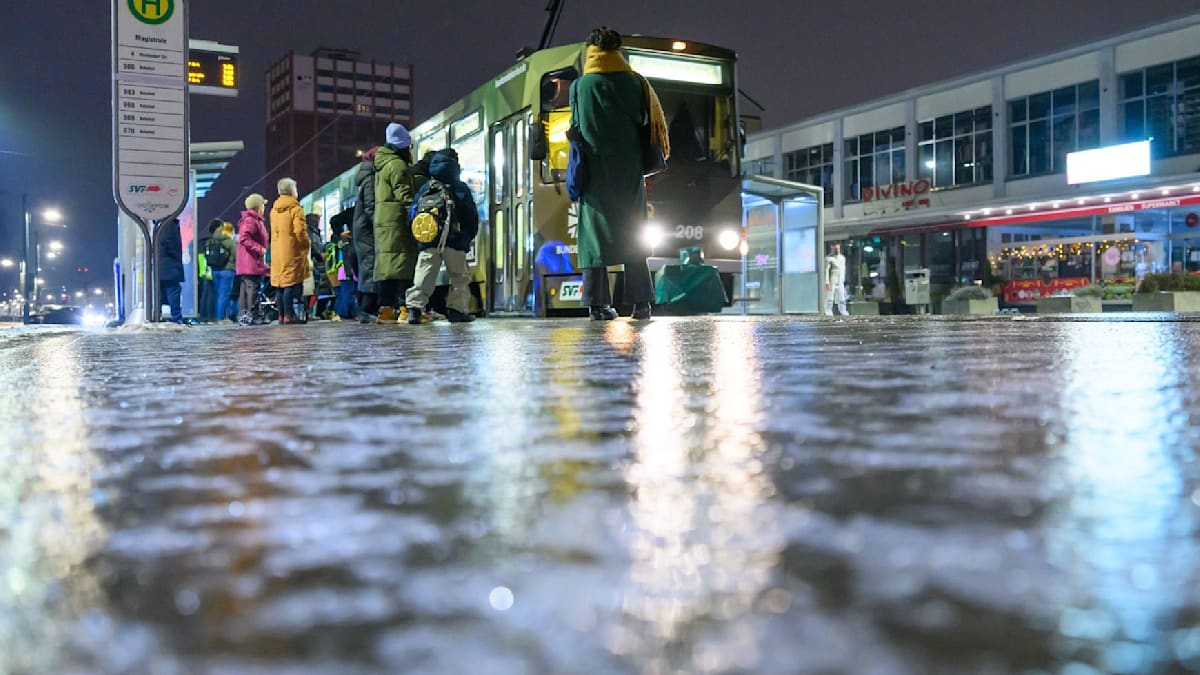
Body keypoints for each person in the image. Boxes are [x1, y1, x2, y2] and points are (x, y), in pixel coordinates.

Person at [570, 27, 670, 321]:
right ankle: (642, 304)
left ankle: (597, 304)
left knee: (594, 238)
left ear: (591, 51)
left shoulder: (580, 86)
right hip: (628, 170)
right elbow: (644, 121)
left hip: (594, 172)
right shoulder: (636, 83)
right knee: (633, 233)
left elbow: (577, 126)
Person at [405, 149, 480, 324]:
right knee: (459, 277)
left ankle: (414, 309)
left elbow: (412, 214)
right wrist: (467, 236)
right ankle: (456, 310)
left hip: (429, 241)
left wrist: (421, 238)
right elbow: (470, 215)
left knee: (424, 275)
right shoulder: (460, 188)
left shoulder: (426, 188)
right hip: (454, 241)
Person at [373, 122, 418, 323]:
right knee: (403, 264)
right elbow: (404, 195)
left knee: (387, 267)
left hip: (383, 220)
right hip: (397, 220)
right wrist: (415, 211)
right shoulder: (397, 165)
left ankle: (385, 310)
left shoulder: (381, 165)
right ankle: (405, 309)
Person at [270, 178, 311, 324]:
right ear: (292, 191)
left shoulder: (274, 210)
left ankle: (281, 315)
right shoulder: (295, 209)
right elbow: (300, 231)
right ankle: (289, 316)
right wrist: (306, 244)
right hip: (292, 250)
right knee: (290, 283)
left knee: (280, 284)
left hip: (277, 252)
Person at [352, 147, 380, 323]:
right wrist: (379, 224)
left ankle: (366, 309)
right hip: (367, 230)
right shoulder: (370, 179)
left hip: (362, 229)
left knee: (368, 267)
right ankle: (365, 310)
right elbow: (371, 206)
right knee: (370, 267)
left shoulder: (366, 177)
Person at [237, 193, 271, 324]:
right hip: (250, 262)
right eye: (263, 205)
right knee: (252, 290)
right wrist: (260, 248)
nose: (264, 207)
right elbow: (244, 238)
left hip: (249, 262)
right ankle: (253, 317)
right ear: (259, 206)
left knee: (246, 292)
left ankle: (246, 318)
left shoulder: (253, 220)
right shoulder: (251, 220)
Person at [157, 217, 185, 323]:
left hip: (163, 264)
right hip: (170, 264)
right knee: (173, 291)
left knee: (161, 293)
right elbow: (169, 243)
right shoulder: (169, 224)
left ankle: (157, 316)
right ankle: (176, 318)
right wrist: (176, 255)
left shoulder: (161, 223)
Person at [306, 213, 333, 319]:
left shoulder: (315, 232)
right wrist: (319, 256)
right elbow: (312, 247)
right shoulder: (310, 232)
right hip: (315, 265)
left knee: (318, 291)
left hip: (318, 265)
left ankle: (314, 312)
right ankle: (310, 312)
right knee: (313, 290)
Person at [211, 221, 237, 322]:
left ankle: (219, 316)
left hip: (215, 271)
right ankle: (221, 318)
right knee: (224, 296)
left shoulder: (213, 240)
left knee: (219, 296)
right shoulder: (230, 242)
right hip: (227, 271)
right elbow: (236, 255)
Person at [198, 219, 220, 322]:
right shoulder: (214, 241)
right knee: (211, 294)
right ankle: (211, 317)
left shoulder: (202, 241)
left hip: (202, 268)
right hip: (211, 268)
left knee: (205, 293)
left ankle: (204, 316)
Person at [825, 242, 847, 316]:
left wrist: (843, 279)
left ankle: (843, 310)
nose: (837, 250)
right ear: (832, 248)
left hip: (840, 280)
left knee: (842, 297)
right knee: (830, 297)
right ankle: (828, 311)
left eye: (838, 248)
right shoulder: (828, 258)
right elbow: (826, 271)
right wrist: (827, 282)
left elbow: (843, 269)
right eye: (835, 248)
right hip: (832, 280)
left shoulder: (842, 258)